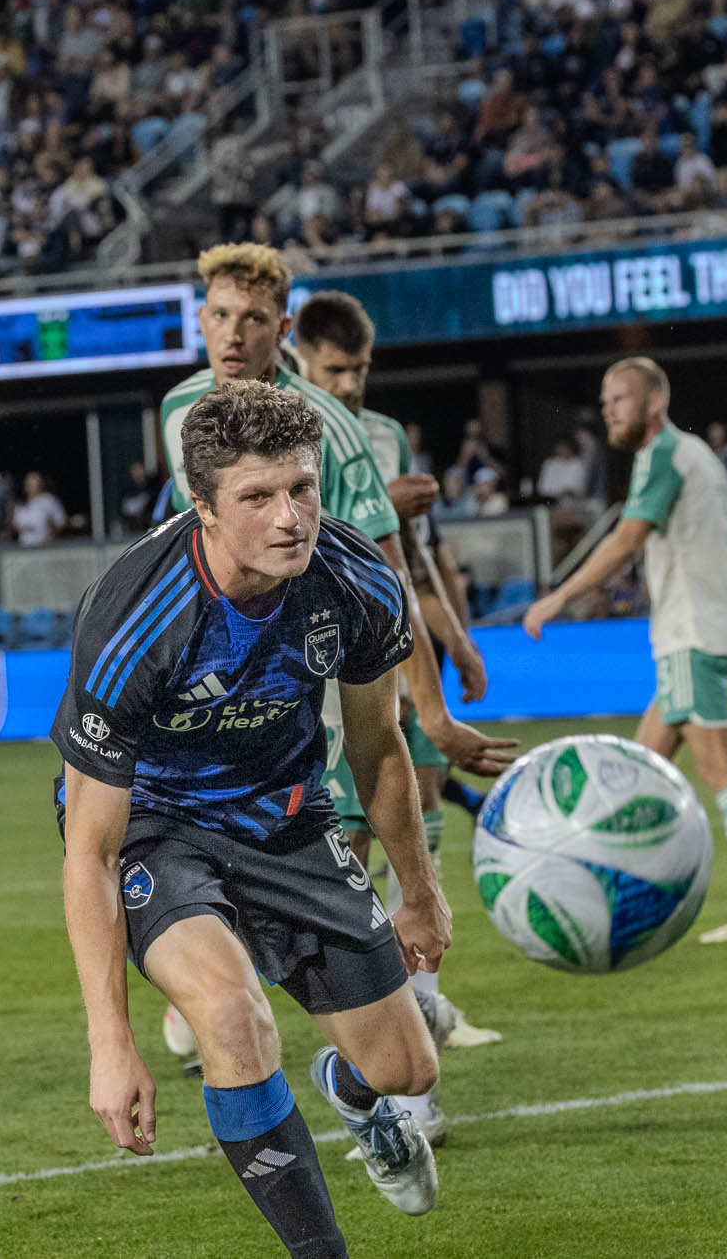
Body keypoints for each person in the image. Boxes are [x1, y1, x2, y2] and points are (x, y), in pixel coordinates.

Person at [56, 381, 447, 1255]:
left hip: (287, 816)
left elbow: (379, 746)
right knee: (233, 1016)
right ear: (202, 506)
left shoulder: (358, 582)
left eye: (302, 487)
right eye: (257, 496)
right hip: (158, 825)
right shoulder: (132, 619)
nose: (290, 517)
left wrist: (420, 893)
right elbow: (90, 850)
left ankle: (354, 1095)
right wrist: (110, 1042)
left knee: (408, 1067)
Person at [154, 243, 516, 1059]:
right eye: (220, 315)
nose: (233, 334)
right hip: (223, 680)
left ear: (280, 328)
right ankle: (276, 1002)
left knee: (337, 859)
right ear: (200, 320)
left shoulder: (332, 428)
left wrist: (431, 706)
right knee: (230, 847)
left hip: (321, 675)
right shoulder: (179, 409)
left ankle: (396, 1033)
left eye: (253, 318)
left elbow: (386, 577)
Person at [297, 290, 505, 1133]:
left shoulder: (385, 433)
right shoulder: (291, 430)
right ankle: (382, 1065)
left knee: (419, 832)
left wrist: (456, 639)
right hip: (332, 671)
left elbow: (409, 559)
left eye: (360, 369)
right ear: (302, 359)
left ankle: (417, 1081)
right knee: (346, 860)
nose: (350, 384)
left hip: (402, 651)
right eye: (335, 369)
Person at [524, 357, 727, 943]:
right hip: (695, 632)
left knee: (721, 767)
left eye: (619, 399)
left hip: (693, 632)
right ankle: (620, 901)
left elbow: (627, 539)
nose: (608, 411)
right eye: (604, 402)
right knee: (639, 772)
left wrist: (559, 596)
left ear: (654, 402)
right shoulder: (691, 454)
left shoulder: (664, 453)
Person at [12, 473, 68, 546]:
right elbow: (14, 525)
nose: (31, 487)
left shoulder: (49, 500)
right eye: (29, 484)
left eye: (34, 484)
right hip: (24, 546)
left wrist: (51, 535)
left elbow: (61, 521)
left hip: (44, 545)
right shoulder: (20, 503)